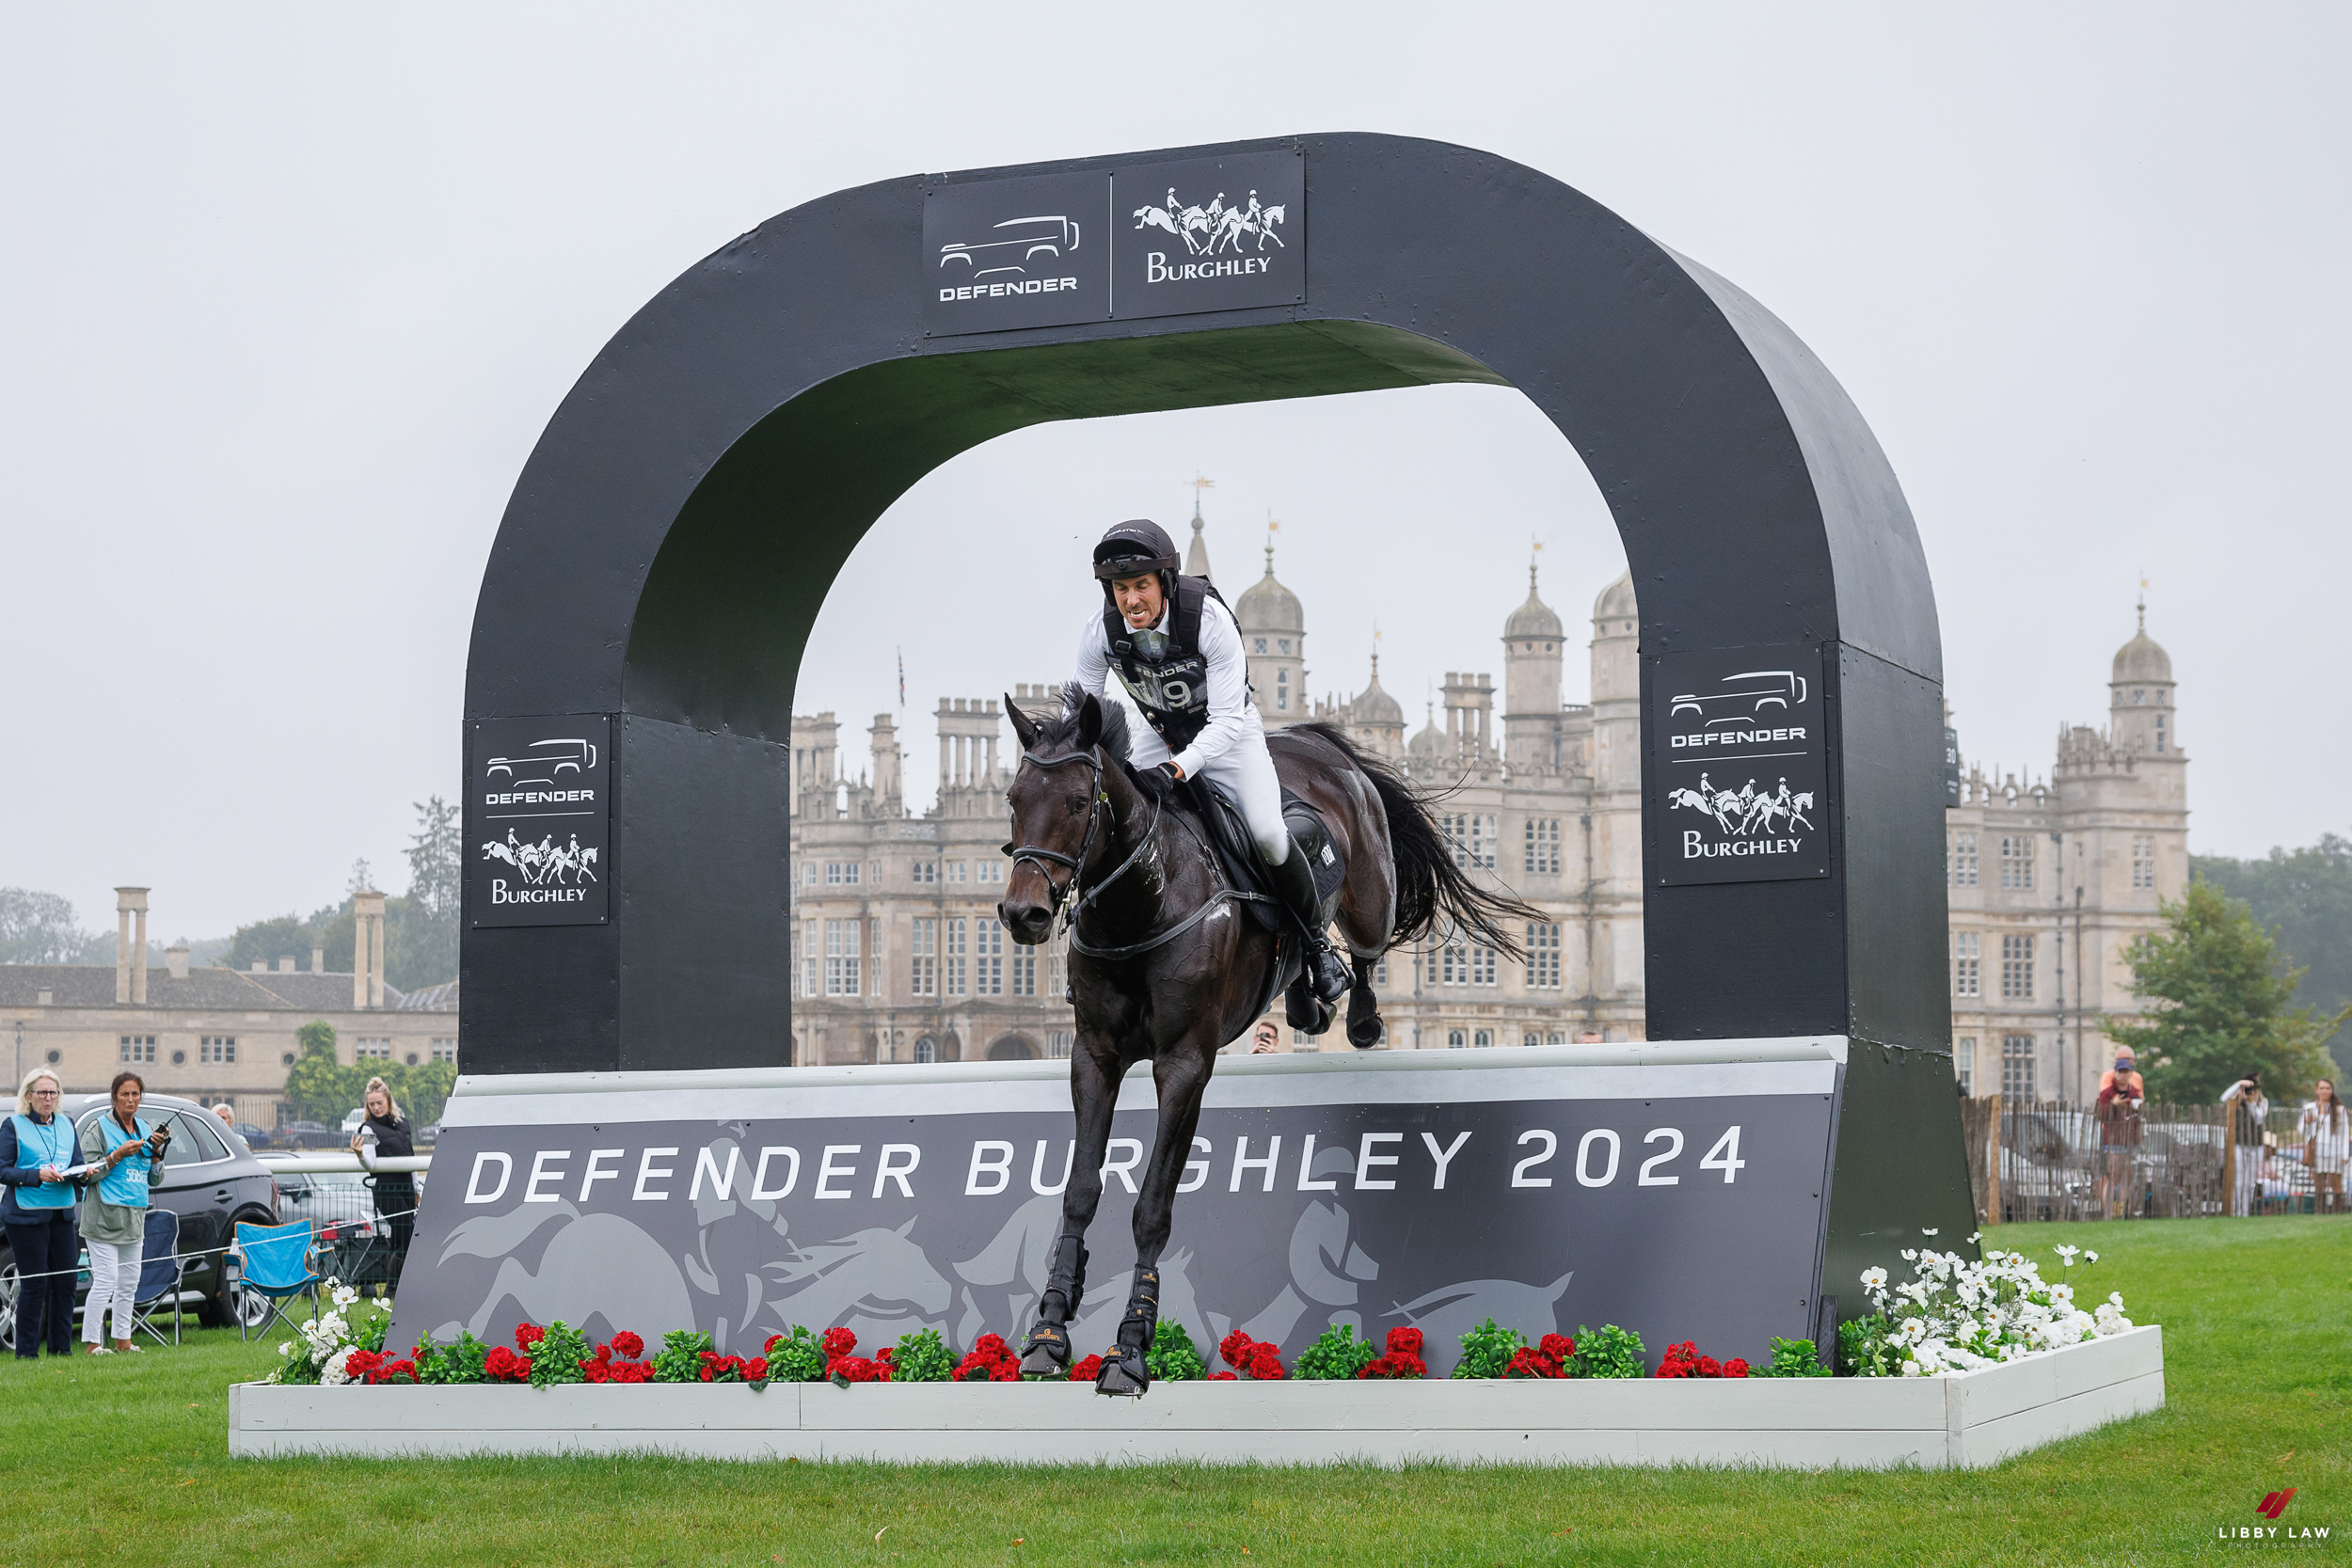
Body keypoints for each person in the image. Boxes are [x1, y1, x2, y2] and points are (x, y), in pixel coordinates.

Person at [1074, 519, 1352, 1009]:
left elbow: (1224, 721)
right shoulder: (1100, 631)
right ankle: (1095, 955)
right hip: (1160, 731)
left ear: (1165, 582)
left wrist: (1178, 769)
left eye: (1141, 586)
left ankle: (1317, 948)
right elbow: (1082, 715)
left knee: (1268, 833)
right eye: (1121, 589)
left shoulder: (1208, 621)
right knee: (1114, 824)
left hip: (1230, 735)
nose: (1131, 600)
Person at [79, 1070, 168, 1354]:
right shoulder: (98, 1128)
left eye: (135, 1094)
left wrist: (157, 1152)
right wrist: (117, 1155)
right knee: (106, 1281)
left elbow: (155, 1178)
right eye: (124, 1094)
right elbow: (86, 1174)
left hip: (134, 1217)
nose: (130, 1099)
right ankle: (93, 1344)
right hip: (103, 1217)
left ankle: (123, 1342)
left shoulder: (144, 1128)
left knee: (129, 1282)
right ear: (114, 1097)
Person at [3, 1069, 83, 1358]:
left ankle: (61, 1349)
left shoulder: (67, 1124)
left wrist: (83, 1173)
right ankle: (26, 1353)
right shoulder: (13, 1126)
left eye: (53, 1092)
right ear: (28, 1096)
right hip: (26, 1216)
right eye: (42, 1093)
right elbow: (3, 1170)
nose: (48, 1098)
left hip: (61, 1213)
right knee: (35, 1284)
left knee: (66, 1282)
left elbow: (77, 1162)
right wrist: (36, 1175)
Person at [352, 1077, 415, 1286]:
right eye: (371, 1104)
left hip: (407, 1188)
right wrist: (360, 1155)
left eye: (379, 1102)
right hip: (387, 1191)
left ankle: (394, 1288)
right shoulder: (367, 1129)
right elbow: (370, 1163)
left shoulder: (404, 1124)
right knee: (409, 1236)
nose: (376, 1107)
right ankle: (395, 1287)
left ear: (388, 1100)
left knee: (399, 1239)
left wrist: (415, 1190)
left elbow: (411, 1158)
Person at [2095, 1051, 2145, 1218]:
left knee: (2127, 1178)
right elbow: (2100, 1115)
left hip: (2131, 1139)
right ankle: (2109, 1213)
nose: (2123, 1075)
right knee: (2113, 1176)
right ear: (2115, 1073)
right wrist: (2113, 1105)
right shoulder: (2107, 1093)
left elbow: (2140, 1117)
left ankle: (2123, 1213)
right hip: (2114, 1140)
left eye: (2126, 1072)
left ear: (2130, 1073)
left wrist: (2138, 1107)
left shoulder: (2135, 1092)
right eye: (2120, 1072)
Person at [2220, 1070, 2268, 1217]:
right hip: (2239, 1144)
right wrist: (2238, 1085)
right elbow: (2223, 1098)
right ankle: (2235, 1210)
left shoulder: (2262, 1102)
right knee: (2239, 1179)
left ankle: (2246, 1211)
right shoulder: (2236, 1101)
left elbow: (2259, 1119)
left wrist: (2252, 1104)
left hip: (2256, 1145)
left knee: (2251, 1181)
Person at [2299, 1078, 2346, 1215]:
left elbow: (2344, 1133)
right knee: (2319, 1183)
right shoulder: (2309, 1108)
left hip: (2334, 1150)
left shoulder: (2339, 1109)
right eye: (2322, 1088)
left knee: (2335, 1183)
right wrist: (2307, 1122)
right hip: (2317, 1150)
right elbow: (2301, 1132)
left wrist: (2344, 1154)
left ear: (2331, 1091)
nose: (2325, 1091)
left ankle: (2337, 1211)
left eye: (2328, 1088)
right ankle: (2320, 1211)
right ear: (2317, 1090)